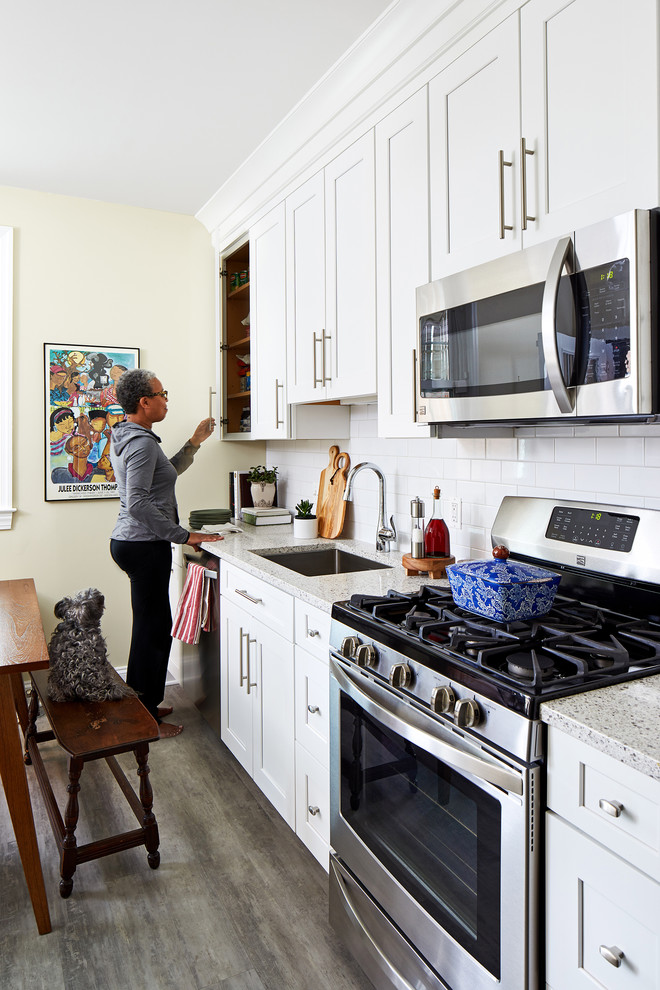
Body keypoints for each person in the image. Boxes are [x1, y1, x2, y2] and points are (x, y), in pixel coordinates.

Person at [109, 368, 222, 738]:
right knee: (153, 632)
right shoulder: (141, 443)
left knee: (151, 628)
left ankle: (147, 705)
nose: (166, 399)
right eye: (162, 393)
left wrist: (194, 442)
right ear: (145, 402)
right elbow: (140, 503)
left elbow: (165, 474)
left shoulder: (130, 436)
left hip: (133, 543)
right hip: (143, 545)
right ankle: (145, 721)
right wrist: (184, 535)